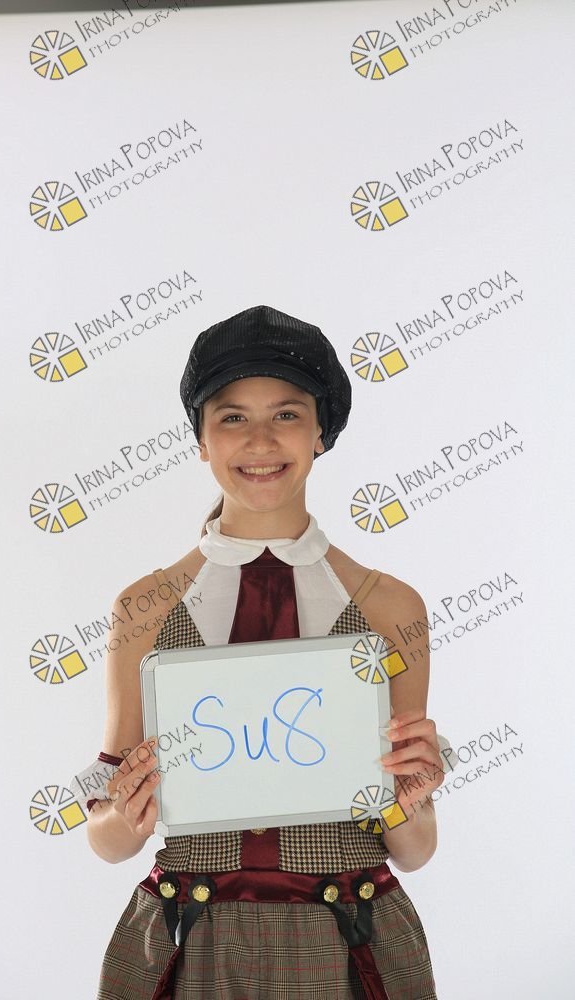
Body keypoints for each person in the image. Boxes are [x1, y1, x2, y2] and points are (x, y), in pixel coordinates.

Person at [86, 305, 454, 999]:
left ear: (322, 433)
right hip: (190, 935)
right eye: (232, 417)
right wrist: (123, 817)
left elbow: (414, 848)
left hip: (347, 934)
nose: (260, 440)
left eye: (286, 413)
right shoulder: (144, 608)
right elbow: (104, 833)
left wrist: (411, 799)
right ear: (200, 438)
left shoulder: (389, 609)